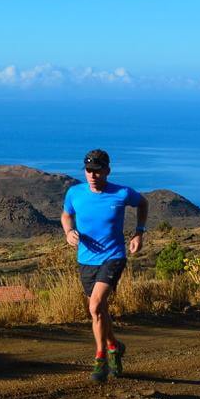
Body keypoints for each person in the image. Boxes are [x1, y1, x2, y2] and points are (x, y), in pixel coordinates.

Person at [60, 148, 148, 382]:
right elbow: (66, 215)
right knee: (99, 311)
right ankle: (114, 346)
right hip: (86, 259)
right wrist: (69, 231)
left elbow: (143, 203)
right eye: (88, 170)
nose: (92, 175)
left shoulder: (121, 193)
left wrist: (139, 233)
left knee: (95, 306)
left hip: (113, 257)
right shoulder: (75, 192)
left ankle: (101, 359)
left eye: (97, 171)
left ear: (107, 171)